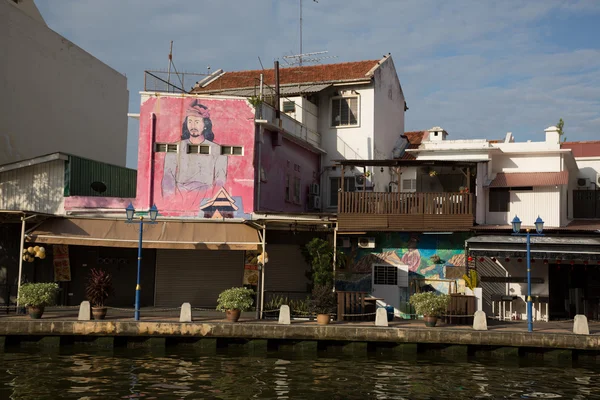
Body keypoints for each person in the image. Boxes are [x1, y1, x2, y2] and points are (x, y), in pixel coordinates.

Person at [162, 100, 228, 202]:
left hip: (206, 197)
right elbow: (168, 176)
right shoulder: (175, 147)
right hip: (180, 197)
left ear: (205, 125)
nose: (193, 126)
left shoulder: (217, 150)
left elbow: (220, 179)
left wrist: (213, 202)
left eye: (197, 122)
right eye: (190, 122)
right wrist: (170, 201)